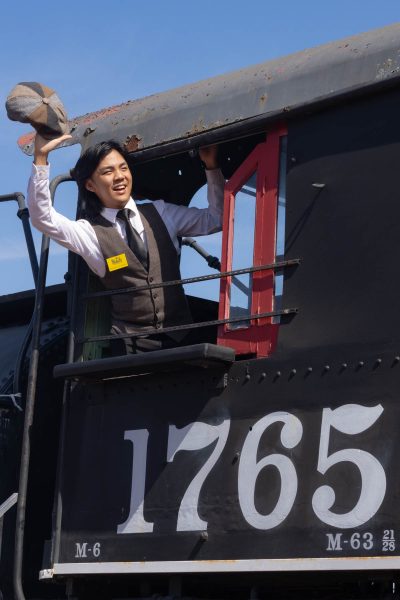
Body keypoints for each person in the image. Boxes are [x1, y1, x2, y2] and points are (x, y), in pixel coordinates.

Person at [27, 134, 225, 353]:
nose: (119, 177)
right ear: (90, 185)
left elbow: (216, 219)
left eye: (123, 168)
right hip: (130, 346)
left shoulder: (161, 212)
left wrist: (211, 166)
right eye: (108, 172)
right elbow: (42, 218)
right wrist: (41, 159)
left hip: (182, 337)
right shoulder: (89, 233)